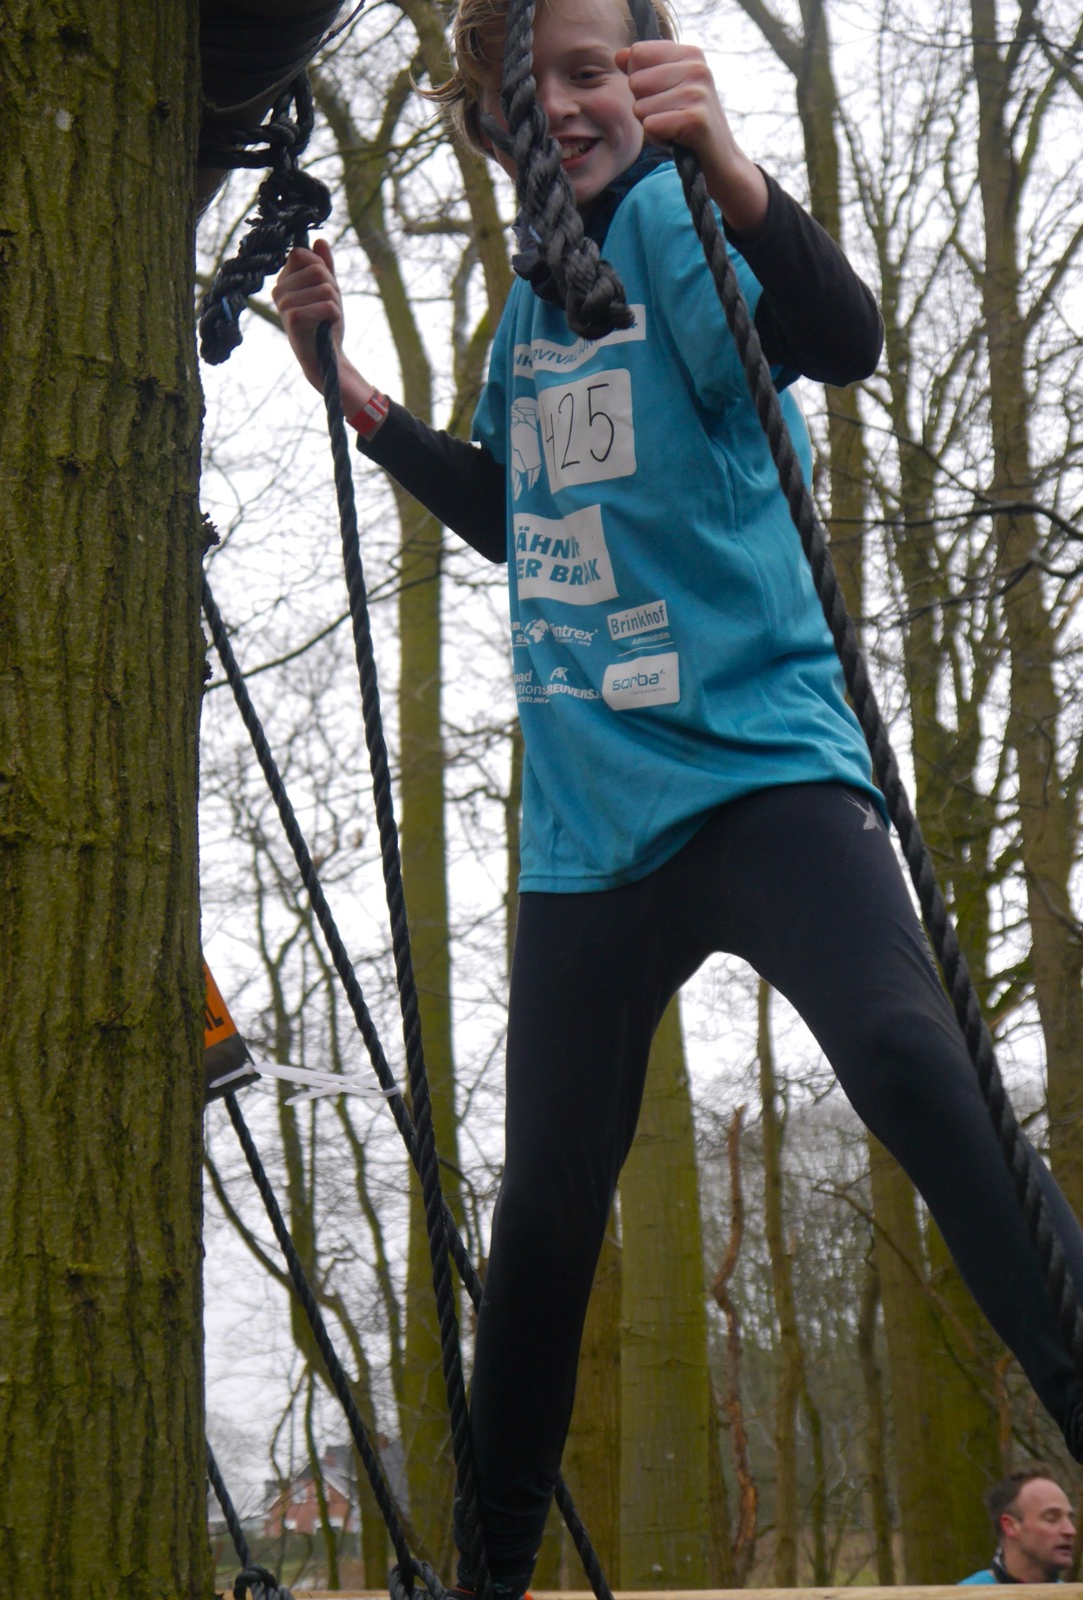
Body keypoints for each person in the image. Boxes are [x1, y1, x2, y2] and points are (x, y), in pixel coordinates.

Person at [272, 0, 1083, 1591]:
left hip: (766, 773)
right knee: (545, 1216)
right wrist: (354, 396)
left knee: (912, 1058)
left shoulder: (677, 224)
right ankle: (492, 1567)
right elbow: (515, 515)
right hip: (592, 829)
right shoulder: (525, 318)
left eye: (599, 70)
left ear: (651, 83)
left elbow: (840, 338)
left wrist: (733, 167)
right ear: (496, 118)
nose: (572, 103)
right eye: (540, 83)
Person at [961, 1466, 1077, 1584]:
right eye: (1051, 1518)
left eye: (1070, 1519)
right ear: (1010, 1526)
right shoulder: (968, 1592)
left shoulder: (1074, 1593)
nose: (1070, 1530)